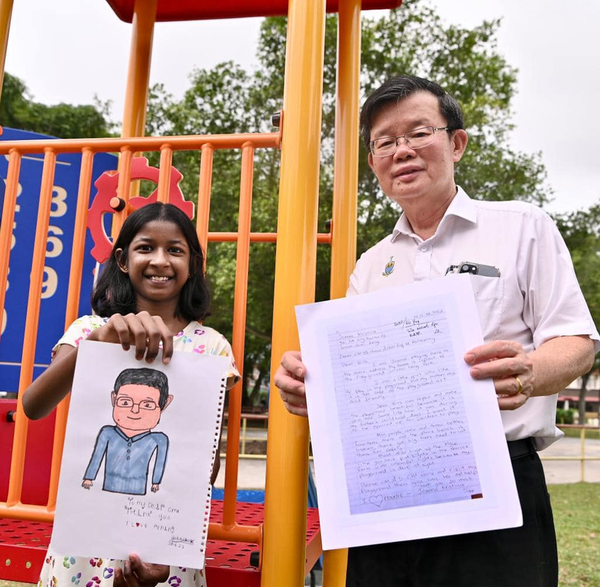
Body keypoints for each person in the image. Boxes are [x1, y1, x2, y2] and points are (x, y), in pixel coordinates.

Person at [275, 75, 599, 587]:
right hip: (386, 494)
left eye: (419, 132)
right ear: (374, 162)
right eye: (384, 141)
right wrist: (308, 383)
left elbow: (578, 343)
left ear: (457, 142)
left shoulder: (522, 227)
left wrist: (529, 372)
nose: (401, 150)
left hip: (497, 483)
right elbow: (355, 382)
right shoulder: (370, 265)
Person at [23, 202, 240, 587]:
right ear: (122, 260)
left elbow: (207, 468)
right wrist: (99, 344)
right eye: (145, 248)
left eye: (175, 250)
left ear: (192, 264)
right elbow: (33, 404)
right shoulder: (90, 329)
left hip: (165, 548)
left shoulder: (212, 348)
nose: (160, 260)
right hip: (84, 551)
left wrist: (163, 550)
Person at [83, 368, 173, 496]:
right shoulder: (107, 433)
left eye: (147, 405)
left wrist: (156, 482)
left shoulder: (159, 439)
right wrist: (89, 478)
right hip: (107, 492)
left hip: (138, 495)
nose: (134, 410)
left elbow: (160, 463)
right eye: (125, 402)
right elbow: (97, 456)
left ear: (164, 405)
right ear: (114, 400)